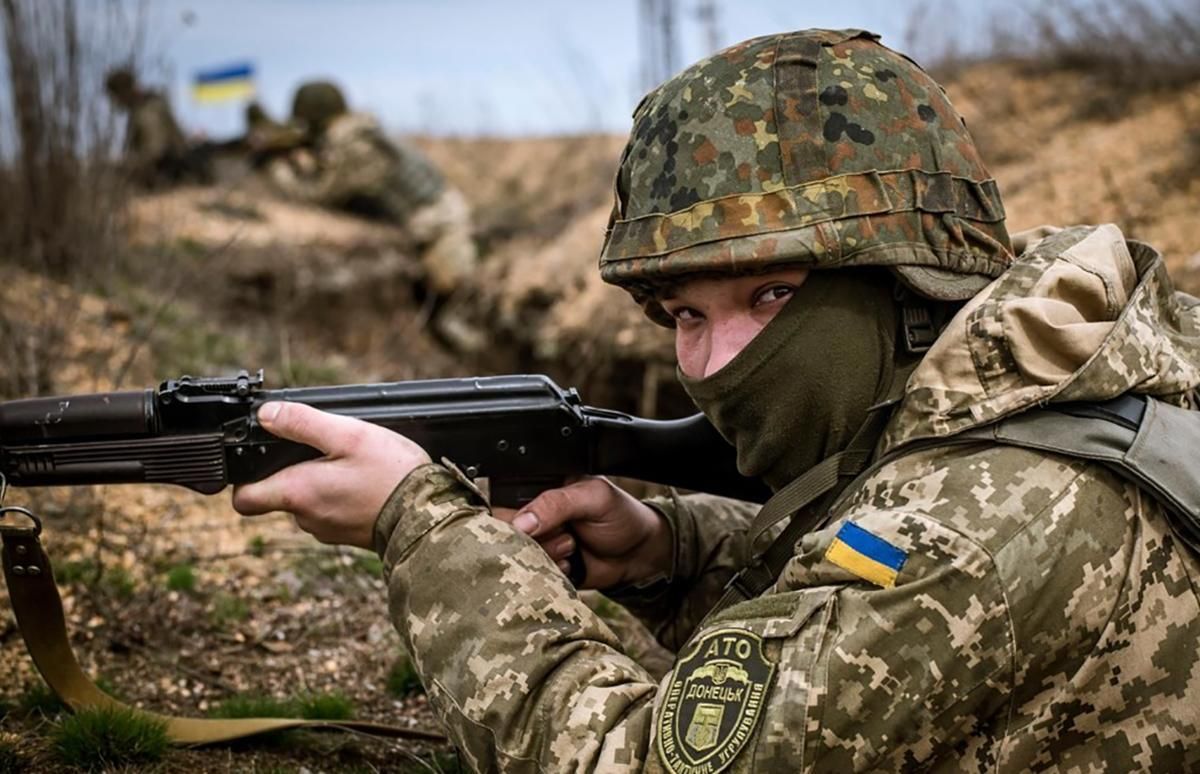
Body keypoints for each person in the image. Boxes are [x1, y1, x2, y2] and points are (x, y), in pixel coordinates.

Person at [232, 30, 1200, 771]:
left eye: (770, 296)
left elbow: (632, 757)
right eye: (681, 314)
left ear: (908, 286)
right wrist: (671, 551)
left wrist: (424, 530)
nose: (713, 362)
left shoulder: (980, 525)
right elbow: (861, 582)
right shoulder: (1052, 370)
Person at [263, 80, 481, 349]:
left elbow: (318, 195)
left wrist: (276, 167)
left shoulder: (355, 146)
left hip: (440, 225)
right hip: (434, 220)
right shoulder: (361, 133)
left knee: (448, 310)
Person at [104, 68, 208, 187]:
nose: (114, 102)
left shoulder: (147, 109)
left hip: (173, 175)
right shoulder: (143, 107)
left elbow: (156, 150)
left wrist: (126, 165)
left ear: (123, 92)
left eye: (115, 96)